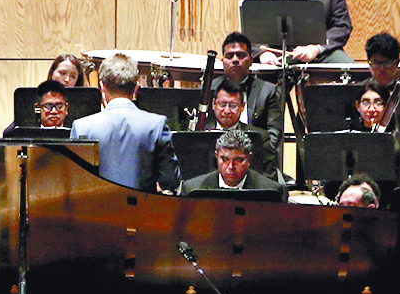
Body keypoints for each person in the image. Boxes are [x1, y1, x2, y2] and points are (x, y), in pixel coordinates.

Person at [69, 53, 181, 193]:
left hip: (96, 212)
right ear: (136, 87)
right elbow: (170, 180)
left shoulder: (81, 127)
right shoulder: (156, 125)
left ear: (101, 86)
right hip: (142, 211)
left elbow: (74, 180)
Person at [210, 31, 283, 149]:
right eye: (229, 56)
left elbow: (274, 137)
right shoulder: (208, 89)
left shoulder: (268, 91)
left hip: (255, 159)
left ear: (251, 60)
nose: (235, 60)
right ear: (222, 61)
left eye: (241, 55)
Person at [182, 130, 287, 202]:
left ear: (249, 158)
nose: (231, 167)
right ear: (216, 156)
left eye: (238, 160)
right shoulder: (192, 189)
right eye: (224, 159)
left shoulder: (271, 192)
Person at [205, 80, 280, 180]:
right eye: (222, 104)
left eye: (233, 105)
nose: (227, 111)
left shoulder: (261, 137)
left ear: (242, 107)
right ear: (214, 104)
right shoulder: (200, 133)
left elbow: (269, 177)